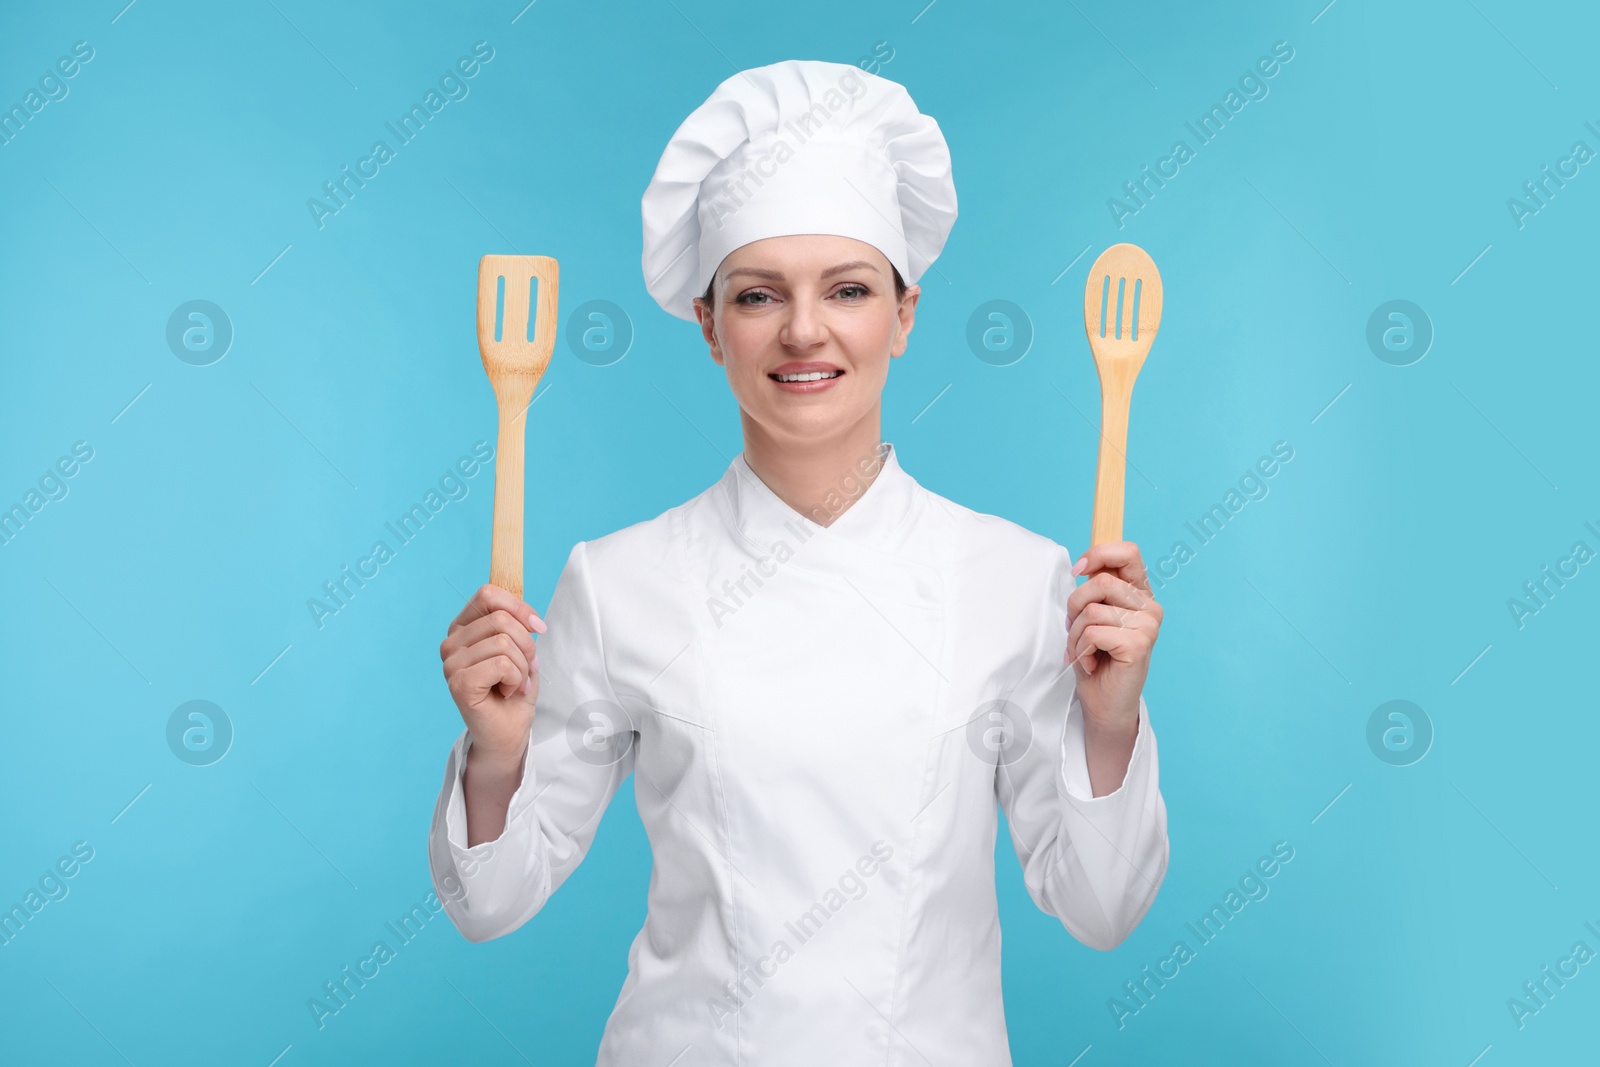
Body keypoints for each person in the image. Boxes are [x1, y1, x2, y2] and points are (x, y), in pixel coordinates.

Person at [429, 58, 1169, 1065]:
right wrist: (497, 753)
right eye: (758, 294)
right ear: (708, 325)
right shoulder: (617, 582)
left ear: (904, 316)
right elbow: (491, 901)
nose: (805, 329)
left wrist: (1112, 722)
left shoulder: (1017, 578)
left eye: (850, 288)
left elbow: (1101, 907)